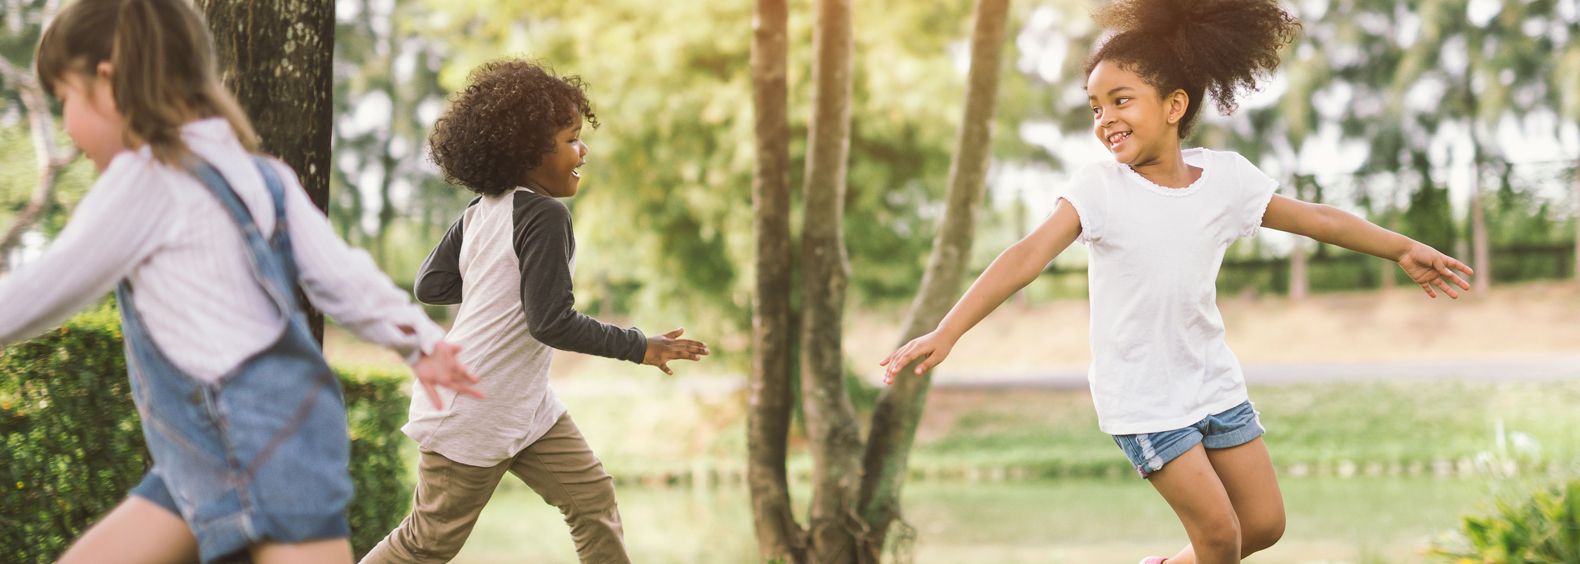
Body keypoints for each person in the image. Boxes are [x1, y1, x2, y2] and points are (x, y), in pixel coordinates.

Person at [879, 1, 1473, 563]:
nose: (1105, 119)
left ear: (1174, 105)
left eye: (1121, 100)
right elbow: (1026, 255)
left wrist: (1402, 248)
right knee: (1218, 534)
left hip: (1213, 381)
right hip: (1143, 397)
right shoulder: (1099, 188)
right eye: (1095, 108)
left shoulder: (1226, 180)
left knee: (1262, 525)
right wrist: (948, 331)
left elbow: (1317, 219)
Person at [0, 1, 485, 563]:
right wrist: (418, 340)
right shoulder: (265, 176)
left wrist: (417, 342)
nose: (65, 123)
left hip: (259, 446)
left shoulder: (149, 177)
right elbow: (341, 275)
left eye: (65, 97)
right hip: (208, 451)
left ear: (107, 84)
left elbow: (40, 291)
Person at [359, 58, 709, 564]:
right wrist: (640, 346)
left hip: (525, 404)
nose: (583, 150)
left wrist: (495, 286)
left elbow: (431, 284)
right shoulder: (544, 215)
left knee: (592, 501)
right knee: (426, 543)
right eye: (572, 139)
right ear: (527, 153)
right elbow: (551, 321)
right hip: (474, 407)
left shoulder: (482, 210)